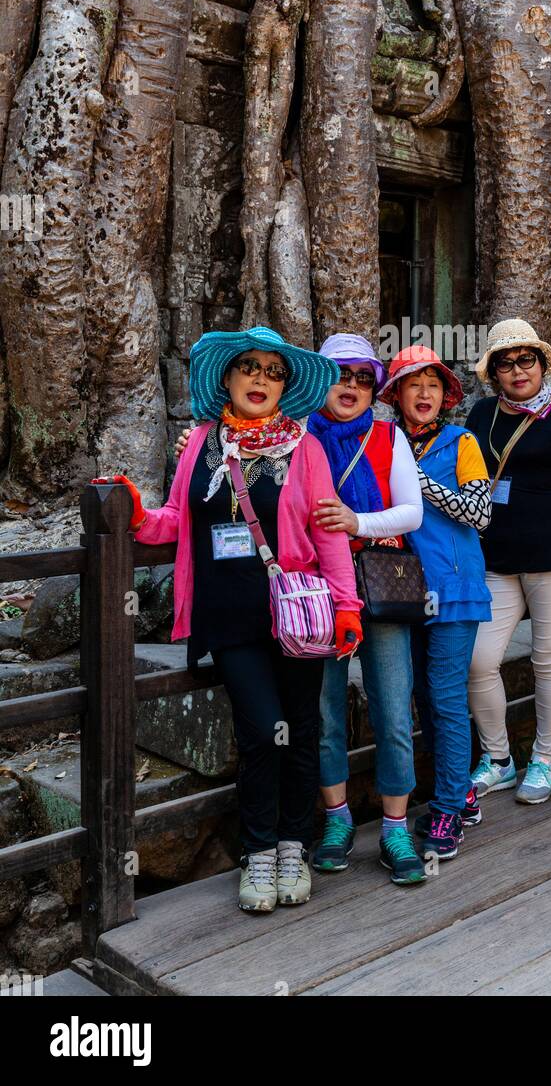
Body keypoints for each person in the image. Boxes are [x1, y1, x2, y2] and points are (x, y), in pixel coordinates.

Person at [96, 327, 361, 915]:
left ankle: (295, 844)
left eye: (273, 371)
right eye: (250, 368)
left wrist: (347, 606)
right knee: (263, 730)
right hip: (230, 615)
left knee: (301, 730)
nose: (260, 379)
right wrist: (133, 509)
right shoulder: (200, 446)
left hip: (297, 612)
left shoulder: (305, 448)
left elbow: (327, 531)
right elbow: (173, 519)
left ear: (285, 387)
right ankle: (259, 851)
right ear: (229, 378)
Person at [464, 318, 551, 804]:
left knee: (549, 658)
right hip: (496, 557)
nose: (518, 370)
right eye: (507, 362)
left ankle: (545, 759)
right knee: (479, 659)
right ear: (494, 372)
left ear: (543, 365)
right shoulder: (480, 416)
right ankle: (498, 758)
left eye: (528, 360)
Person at [305, 334, 427, 886]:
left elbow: (411, 513)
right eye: (340, 374)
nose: (351, 386)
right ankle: (336, 820)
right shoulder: (296, 435)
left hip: (378, 582)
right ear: (319, 379)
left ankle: (396, 828)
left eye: (362, 378)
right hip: (315, 588)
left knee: (393, 707)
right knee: (325, 710)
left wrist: (357, 522)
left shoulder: (387, 436)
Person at [379, 345, 492, 860]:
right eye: (412, 384)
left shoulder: (461, 440)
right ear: (396, 395)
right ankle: (460, 787)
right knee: (423, 697)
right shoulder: (382, 442)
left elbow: (478, 512)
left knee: (445, 698)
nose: (423, 393)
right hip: (400, 590)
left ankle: (447, 808)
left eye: (432, 384)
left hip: (453, 588)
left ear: (445, 396)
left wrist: (415, 483)